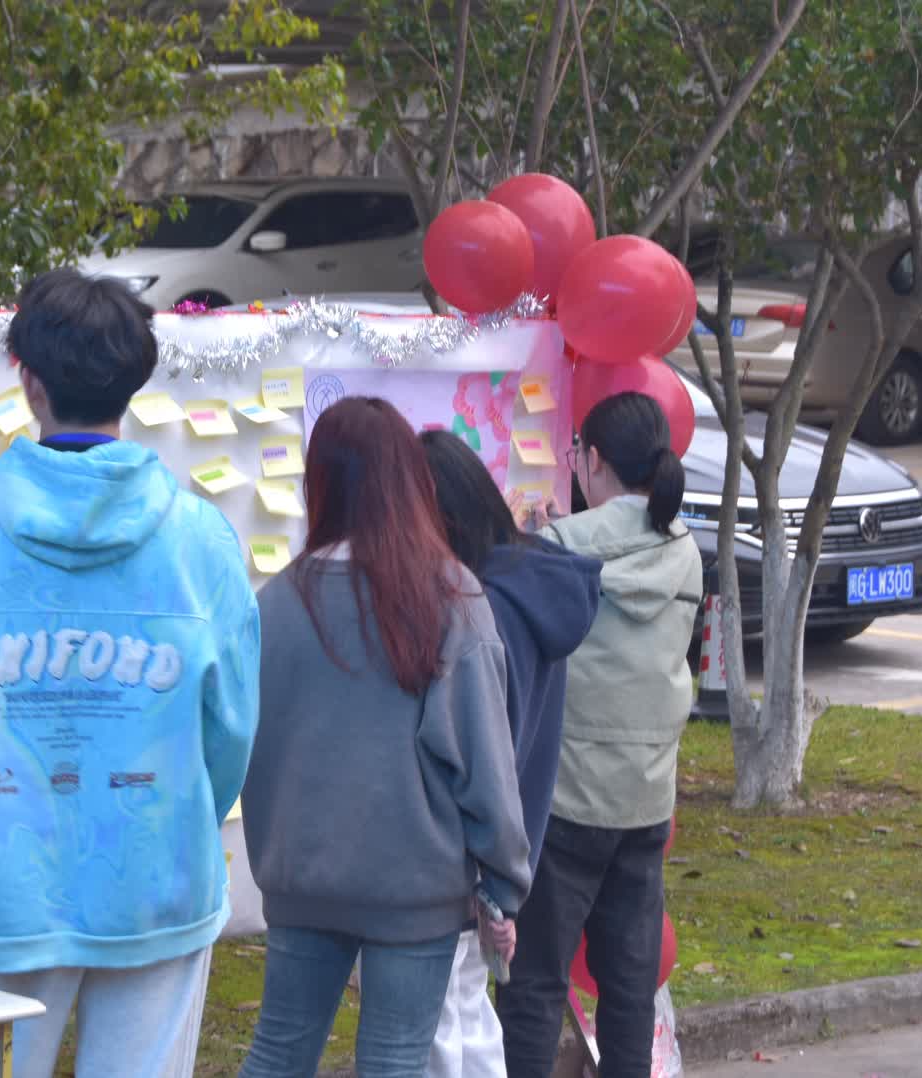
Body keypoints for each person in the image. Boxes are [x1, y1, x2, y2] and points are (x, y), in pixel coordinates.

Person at [0, 268, 260, 1078]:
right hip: (159, 877)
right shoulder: (201, 538)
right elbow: (233, 727)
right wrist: (174, 809)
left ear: (30, 381)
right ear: (132, 381)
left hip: (16, 873)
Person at [238, 396, 531, 1078]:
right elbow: (485, 761)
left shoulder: (274, 603)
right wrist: (503, 884)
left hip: (300, 876)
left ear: (318, 482)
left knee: (277, 1054)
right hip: (416, 889)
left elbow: (247, 745)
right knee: (395, 1062)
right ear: (410, 482)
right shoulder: (450, 598)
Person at [493, 391, 703, 1078]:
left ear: (594, 460)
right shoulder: (685, 551)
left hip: (565, 801)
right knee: (629, 991)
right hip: (646, 801)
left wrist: (526, 543)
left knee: (533, 988)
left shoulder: (556, 550)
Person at [418, 430, 601, 1078]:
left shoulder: (480, 609)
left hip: (466, 854)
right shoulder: (530, 588)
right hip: (503, 847)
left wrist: (491, 876)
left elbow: (477, 749)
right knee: (468, 1023)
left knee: (441, 1032)